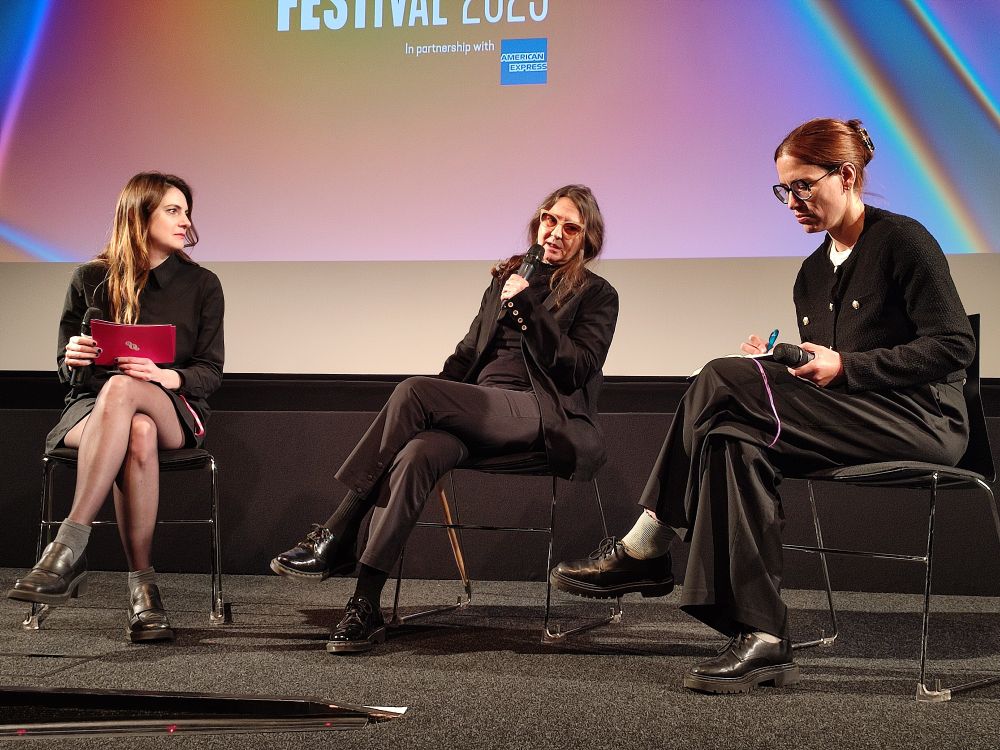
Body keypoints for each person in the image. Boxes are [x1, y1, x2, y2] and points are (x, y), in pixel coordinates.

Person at [550, 118, 974, 694]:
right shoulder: (810, 274)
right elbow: (825, 368)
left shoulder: (902, 241)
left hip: (920, 419)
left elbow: (953, 346)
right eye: (784, 190)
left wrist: (846, 367)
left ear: (847, 176)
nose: (792, 202)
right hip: (850, 417)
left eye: (803, 186)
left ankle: (649, 543)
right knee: (732, 440)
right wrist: (782, 363)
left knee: (720, 378)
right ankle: (763, 635)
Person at [270, 184, 618, 654]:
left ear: (587, 239)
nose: (555, 233)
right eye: (549, 220)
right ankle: (364, 603)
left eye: (570, 227)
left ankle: (338, 531)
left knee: (413, 390)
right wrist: (429, 410)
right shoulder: (507, 279)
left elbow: (576, 368)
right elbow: (467, 355)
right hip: (483, 407)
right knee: (417, 451)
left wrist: (530, 309)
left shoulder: (597, 294)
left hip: (541, 413)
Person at [7, 172, 225, 643]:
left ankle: (67, 546)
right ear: (139, 215)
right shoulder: (90, 278)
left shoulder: (202, 284)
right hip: (91, 407)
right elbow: (67, 373)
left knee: (129, 393)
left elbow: (210, 372)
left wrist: (163, 375)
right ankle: (144, 589)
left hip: (173, 406)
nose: (185, 222)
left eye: (187, 212)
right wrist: (73, 357)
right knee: (136, 431)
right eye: (173, 211)